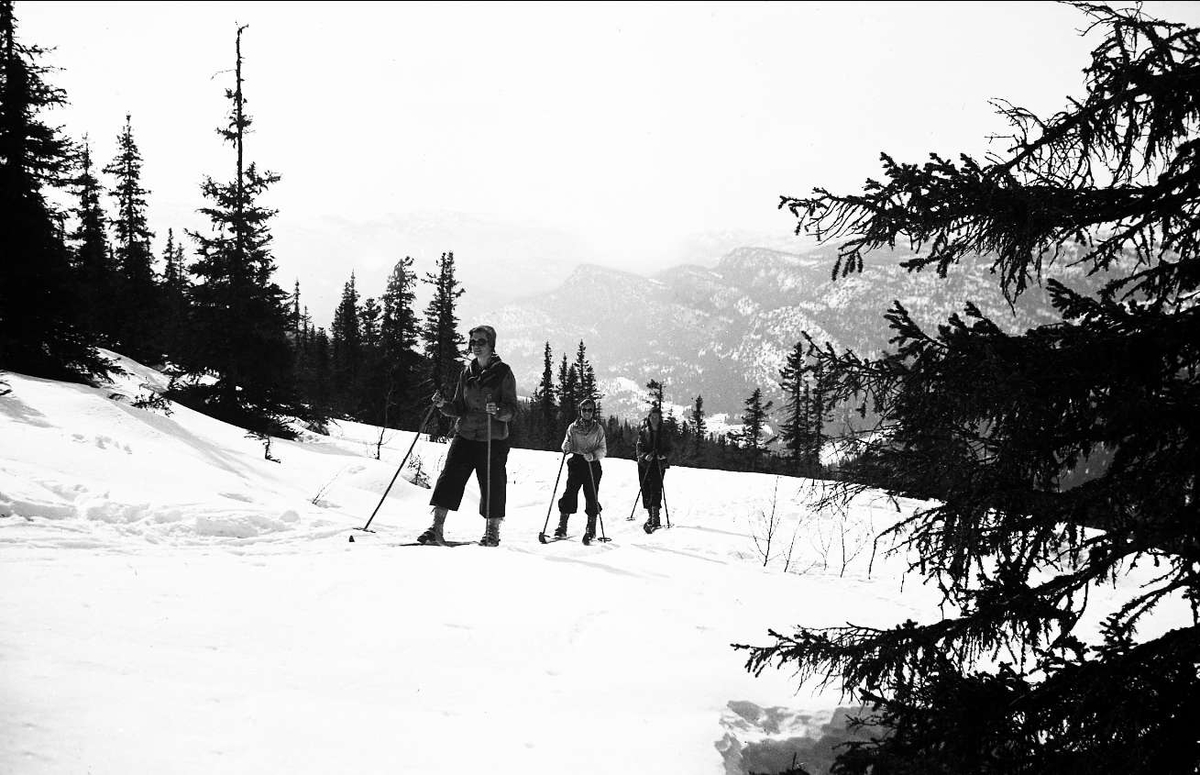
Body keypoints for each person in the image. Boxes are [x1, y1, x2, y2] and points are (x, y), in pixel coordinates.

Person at [419, 325, 518, 547]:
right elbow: (459, 406)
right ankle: (436, 528)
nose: (476, 346)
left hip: (493, 438)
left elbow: (512, 409)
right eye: (473, 342)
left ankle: (492, 532)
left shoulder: (503, 373)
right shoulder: (467, 372)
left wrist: (499, 411)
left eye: (481, 342)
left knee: (492, 485)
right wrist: (444, 405)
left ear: (491, 344)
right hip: (465, 434)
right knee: (449, 479)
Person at [555, 398, 607, 544]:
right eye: (584, 410)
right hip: (577, 462)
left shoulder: (598, 429)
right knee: (570, 493)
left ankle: (591, 528)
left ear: (593, 412)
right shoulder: (573, 427)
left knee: (591, 495)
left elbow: (603, 450)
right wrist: (566, 446)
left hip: (592, 464)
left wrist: (593, 455)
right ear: (580, 411)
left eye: (590, 410)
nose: (587, 413)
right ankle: (562, 526)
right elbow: (567, 441)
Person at [636, 403, 673, 534]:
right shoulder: (644, 431)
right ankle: (651, 514)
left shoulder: (665, 432)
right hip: (645, 464)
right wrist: (645, 456)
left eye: (657, 417)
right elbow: (639, 447)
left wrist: (664, 455)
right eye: (652, 416)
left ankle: (655, 516)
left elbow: (670, 448)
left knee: (656, 487)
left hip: (658, 464)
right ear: (649, 417)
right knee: (645, 488)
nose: (654, 419)